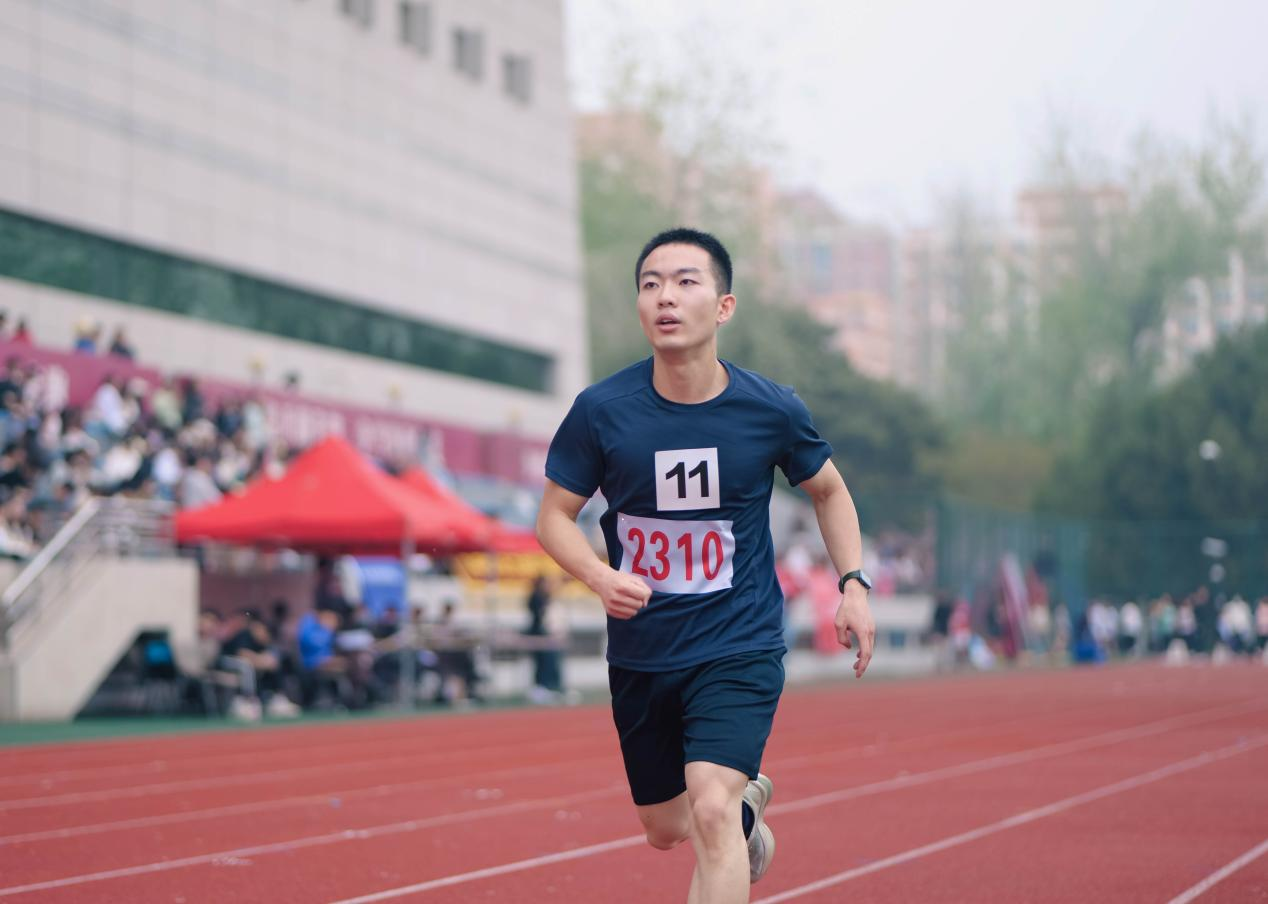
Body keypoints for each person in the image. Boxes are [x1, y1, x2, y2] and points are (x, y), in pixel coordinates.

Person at [536, 228, 875, 902]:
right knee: (667, 828)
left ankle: (730, 810)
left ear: (723, 307)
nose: (665, 296)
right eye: (651, 284)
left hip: (738, 643)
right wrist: (600, 576)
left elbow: (829, 491)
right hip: (643, 650)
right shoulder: (601, 412)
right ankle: (747, 813)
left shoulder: (770, 409)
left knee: (710, 811)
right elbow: (552, 517)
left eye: (685, 281)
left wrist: (853, 586)